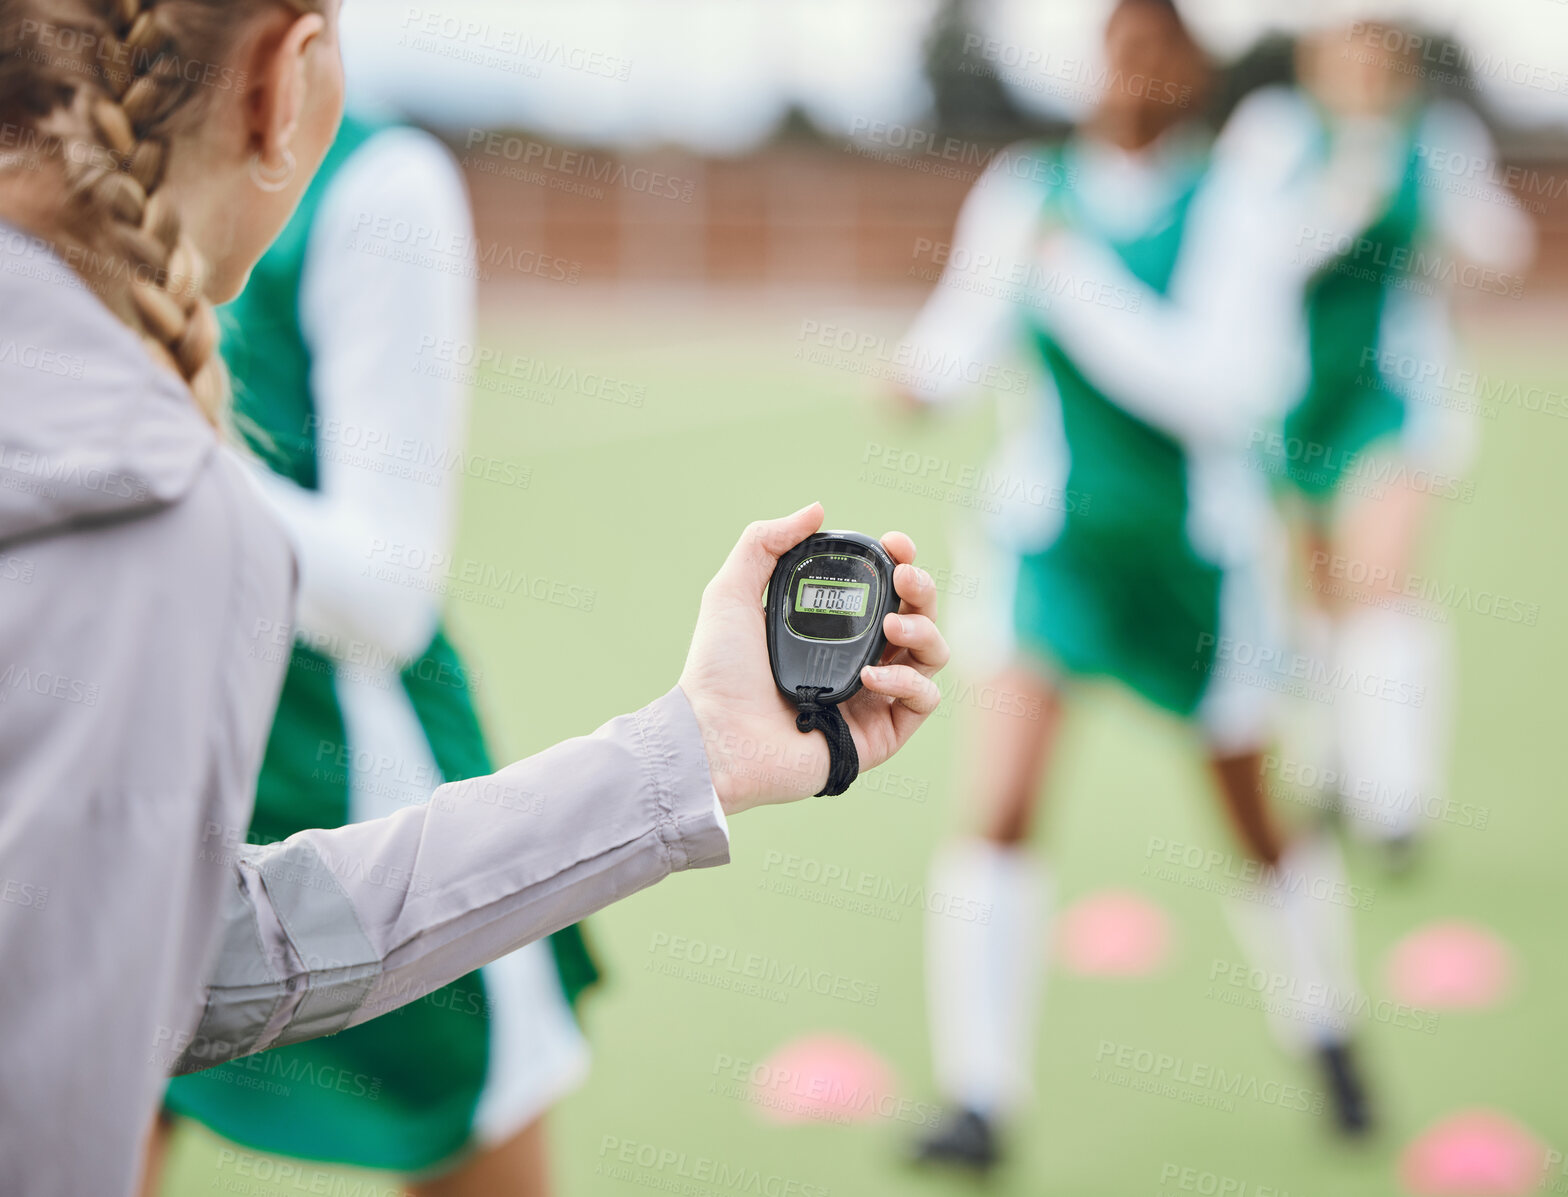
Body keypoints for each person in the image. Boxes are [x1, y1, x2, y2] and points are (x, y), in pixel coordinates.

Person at [0, 3, 949, 1195]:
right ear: (282, 79)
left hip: (298, 814)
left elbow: (166, 955)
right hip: (326, 795)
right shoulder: (158, 507)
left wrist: (695, 752)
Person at [895, 0, 1372, 1172]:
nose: (1131, 69)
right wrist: (918, 377)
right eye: (1115, 42)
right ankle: (977, 1099)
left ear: (1190, 69)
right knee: (997, 808)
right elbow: (964, 326)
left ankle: (1327, 1031)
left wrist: (1076, 289)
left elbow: (1226, 388)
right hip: (1051, 550)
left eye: (1156, 46)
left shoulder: (1236, 202)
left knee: (1253, 820)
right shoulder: (1026, 189)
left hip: (1197, 567)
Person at [141, 112, 598, 1196]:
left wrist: (129, 442)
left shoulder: (375, 183)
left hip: (343, 792)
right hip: (110, 802)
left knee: (467, 1131)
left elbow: (385, 594)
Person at [1271, 23, 1532, 867]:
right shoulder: (1274, 133)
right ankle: (1331, 768)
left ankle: (1397, 801)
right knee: (1315, 596)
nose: (1361, 74)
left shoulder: (1440, 136)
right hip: (1288, 403)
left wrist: (1471, 233)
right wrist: (1341, 202)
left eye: (1377, 59)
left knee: (1381, 582)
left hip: (1395, 402)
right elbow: (1255, 255)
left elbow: (1500, 244)